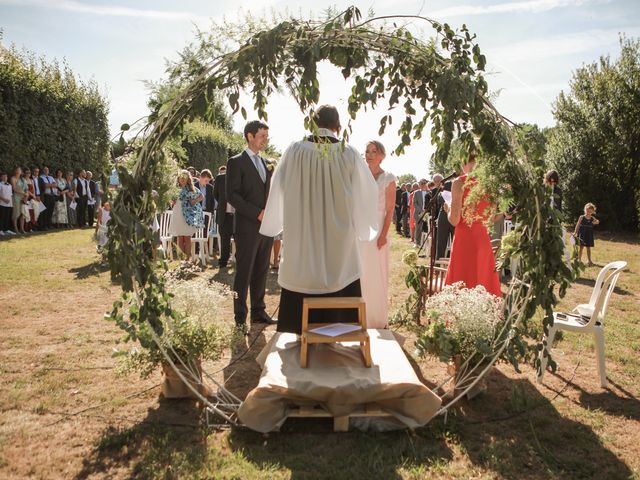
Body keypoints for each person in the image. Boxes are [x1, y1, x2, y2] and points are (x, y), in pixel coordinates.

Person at [260, 105, 378, 334]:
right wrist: (363, 228)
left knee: (302, 268)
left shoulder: (294, 151)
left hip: (302, 232)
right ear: (338, 127)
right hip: (339, 237)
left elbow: (278, 188)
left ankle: (297, 330)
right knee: (341, 269)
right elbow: (368, 193)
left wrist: (276, 223)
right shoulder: (349, 153)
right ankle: (339, 331)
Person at [226, 120, 276, 330]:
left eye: (266, 136)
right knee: (244, 272)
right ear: (250, 136)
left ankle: (258, 312)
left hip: (267, 227)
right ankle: (240, 318)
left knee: (261, 270)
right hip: (247, 227)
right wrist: (257, 213)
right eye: (262, 136)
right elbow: (232, 196)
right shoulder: (236, 162)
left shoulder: (266, 163)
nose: (265, 140)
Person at [444, 153, 502, 297]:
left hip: (464, 241)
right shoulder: (490, 184)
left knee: (461, 282)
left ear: (466, 162)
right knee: (483, 282)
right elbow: (491, 219)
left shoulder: (460, 182)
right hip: (483, 240)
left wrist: (448, 208)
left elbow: (455, 220)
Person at [359, 140, 397, 329]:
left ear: (381, 155)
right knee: (360, 274)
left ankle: (376, 319)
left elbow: (390, 210)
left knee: (377, 274)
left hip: (378, 230)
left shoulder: (388, 178)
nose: (369, 154)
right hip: (360, 231)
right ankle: (358, 317)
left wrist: (383, 234)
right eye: (367, 151)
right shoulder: (359, 176)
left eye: (374, 151)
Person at [169, 170, 204, 257]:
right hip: (178, 212)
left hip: (188, 214)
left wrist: (194, 201)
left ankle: (188, 257)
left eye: (185, 177)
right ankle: (181, 258)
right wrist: (172, 202)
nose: (183, 179)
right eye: (181, 177)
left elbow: (201, 196)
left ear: (188, 178)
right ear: (178, 178)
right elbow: (171, 201)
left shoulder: (191, 188)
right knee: (180, 237)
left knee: (187, 237)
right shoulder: (175, 189)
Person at [213, 165, 234, 268]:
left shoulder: (242, 178)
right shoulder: (220, 178)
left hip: (238, 216)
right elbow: (215, 194)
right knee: (224, 240)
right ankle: (223, 262)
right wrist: (223, 203)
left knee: (241, 240)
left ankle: (239, 260)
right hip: (224, 215)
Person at [10, 167, 27, 234]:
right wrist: (24, 193)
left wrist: (26, 197)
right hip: (16, 197)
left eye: (19, 170)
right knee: (16, 213)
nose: (17, 171)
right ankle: (15, 228)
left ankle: (22, 229)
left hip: (23, 198)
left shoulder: (23, 179)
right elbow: (14, 188)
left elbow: (26, 189)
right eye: (16, 169)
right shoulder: (13, 178)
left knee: (22, 213)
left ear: (21, 172)